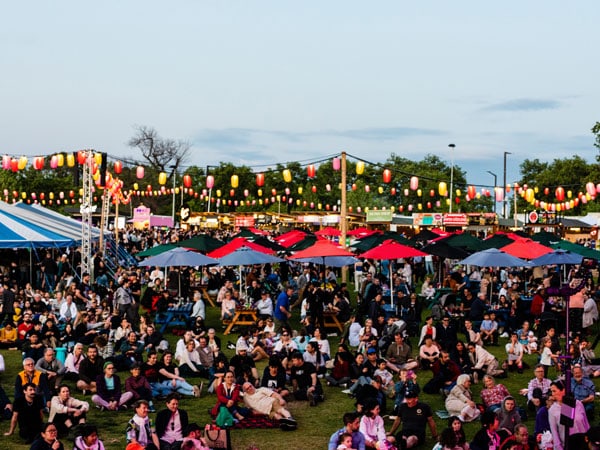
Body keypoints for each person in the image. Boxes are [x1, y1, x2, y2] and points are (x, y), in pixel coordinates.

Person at [548, 379, 590, 450]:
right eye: (551, 391)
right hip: (569, 445)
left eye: (554, 391)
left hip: (584, 443)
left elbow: (586, 424)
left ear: (564, 390)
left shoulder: (578, 404)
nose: (552, 394)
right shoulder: (553, 410)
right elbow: (555, 433)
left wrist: (590, 440)